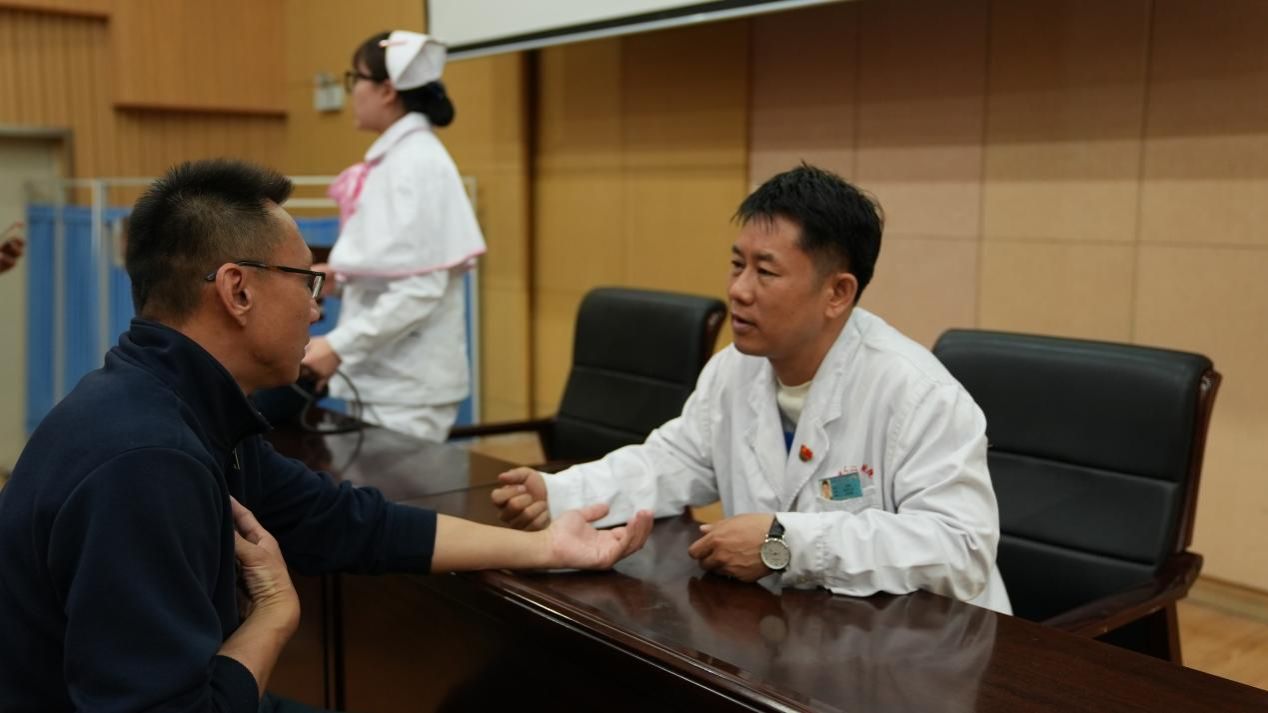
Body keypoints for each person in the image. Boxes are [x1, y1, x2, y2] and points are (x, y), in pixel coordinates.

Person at [0, 159, 652, 713]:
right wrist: (274, 615)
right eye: (307, 280)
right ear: (237, 290)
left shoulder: (174, 402)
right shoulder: (148, 460)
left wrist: (543, 546)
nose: (318, 307)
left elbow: (345, 521)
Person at [493, 164, 1012, 614]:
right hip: (802, 627)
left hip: (927, 649)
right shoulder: (734, 369)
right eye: (737, 264)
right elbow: (672, 461)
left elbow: (960, 548)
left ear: (837, 292)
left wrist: (782, 544)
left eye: (765, 271)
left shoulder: (918, 394)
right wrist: (562, 493)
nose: (738, 290)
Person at [301, 30, 482, 442]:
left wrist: (339, 345)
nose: (352, 92)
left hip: (405, 387)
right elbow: (397, 266)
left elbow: (420, 286)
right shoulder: (399, 159)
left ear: (386, 91)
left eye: (355, 79)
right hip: (388, 379)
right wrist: (342, 277)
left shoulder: (415, 163)